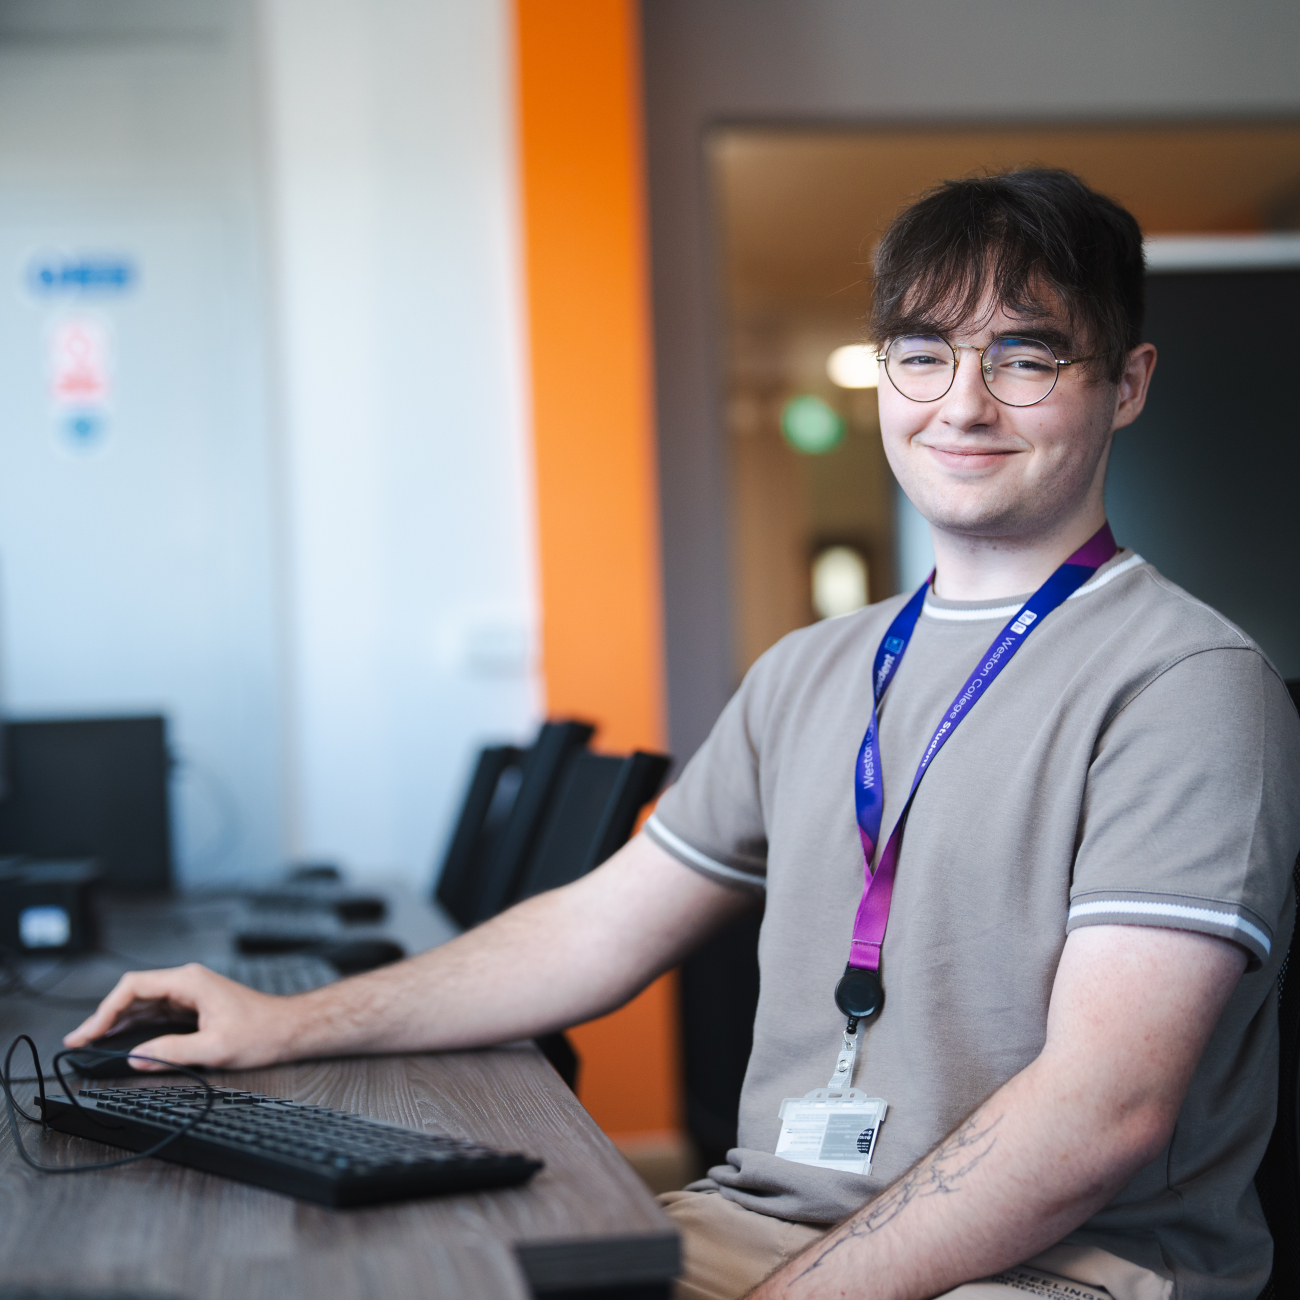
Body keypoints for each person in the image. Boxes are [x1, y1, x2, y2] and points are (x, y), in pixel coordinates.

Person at [69, 169, 1300, 1300]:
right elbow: (601, 925)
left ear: (1125, 384)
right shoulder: (810, 669)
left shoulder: (1188, 684)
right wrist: (281, 1021)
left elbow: (1103, 1113)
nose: (961, 404)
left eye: (1023, 357)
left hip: (1055, 1268)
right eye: (921, 356)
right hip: (764, 1225)